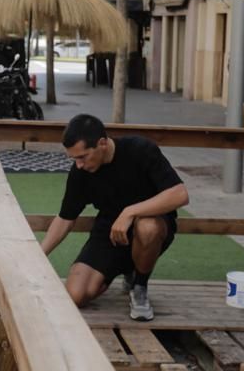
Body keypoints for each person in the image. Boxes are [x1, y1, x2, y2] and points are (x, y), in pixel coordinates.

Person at [40, 114, 189, 321]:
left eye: (82, 156)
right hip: (109, 232)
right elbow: (65, 217)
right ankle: (126, 269)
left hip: (151, 226)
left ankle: (139, 286)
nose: (79, 164)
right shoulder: (80, 172)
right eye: (73, 158)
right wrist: (38, 255)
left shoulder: (140, 149)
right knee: (76, 294)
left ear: (102, 143)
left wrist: (130, 212)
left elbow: (180, 194)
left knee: (147, 227)